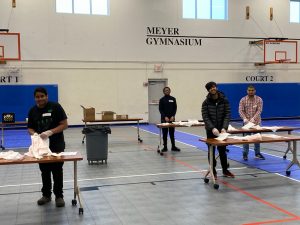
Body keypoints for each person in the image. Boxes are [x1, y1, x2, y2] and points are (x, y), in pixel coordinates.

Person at [27, 87, 68, 207]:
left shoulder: (56, 107)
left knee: (57, 170)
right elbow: (30, 127)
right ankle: (46, 195)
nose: (39, 99)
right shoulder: (32, 111)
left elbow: (64, 124)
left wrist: (50, 132)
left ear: (46, 96)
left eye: (42, 96)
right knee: (44, 171)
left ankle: (59, 196)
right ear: (35, 98)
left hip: (56, 144)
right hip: (41, 147)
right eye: (37, 97)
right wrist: (34, 133)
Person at [201, 81, 234, 178]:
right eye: (210, 88)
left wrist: (224, 127)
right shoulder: (205, 103)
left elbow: (227, 114)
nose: (213, 89)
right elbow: (205, 117)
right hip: (211, 131)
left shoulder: (224, 100)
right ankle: (213, 171)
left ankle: (225, 170)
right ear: (208, 90)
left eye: (214, 87)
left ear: (216, 87)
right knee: (211, 150)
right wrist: (212, 128)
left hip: (222, 131)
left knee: (222, 151)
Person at [239, 85, 265, 161]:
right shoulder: (243, 100)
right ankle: (245, 154)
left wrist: (254, 118)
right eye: (249, 90)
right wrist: (244, 118)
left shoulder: (259, 99)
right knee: (246, 139)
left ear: (255, 91)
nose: (251, 92)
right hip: (246, 123)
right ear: (247, 91)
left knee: (257, 138)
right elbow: (241, 110)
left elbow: (259, 110)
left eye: (252, 90)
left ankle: (257, 153)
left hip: (257, 123)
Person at [159, 86, 180, 152]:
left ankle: (173, 146)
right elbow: (160, 109)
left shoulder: (173, 99)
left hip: (172, 119)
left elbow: (175, 108)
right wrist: (165, 117)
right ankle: (165, 147)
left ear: (170, 91)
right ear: (163, 92)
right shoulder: (161, 100)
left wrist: (173, 116)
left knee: (172, 133)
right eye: (165, 90)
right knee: (164, 133)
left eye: (168, 90)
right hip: (164, 119)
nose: (167, 91)